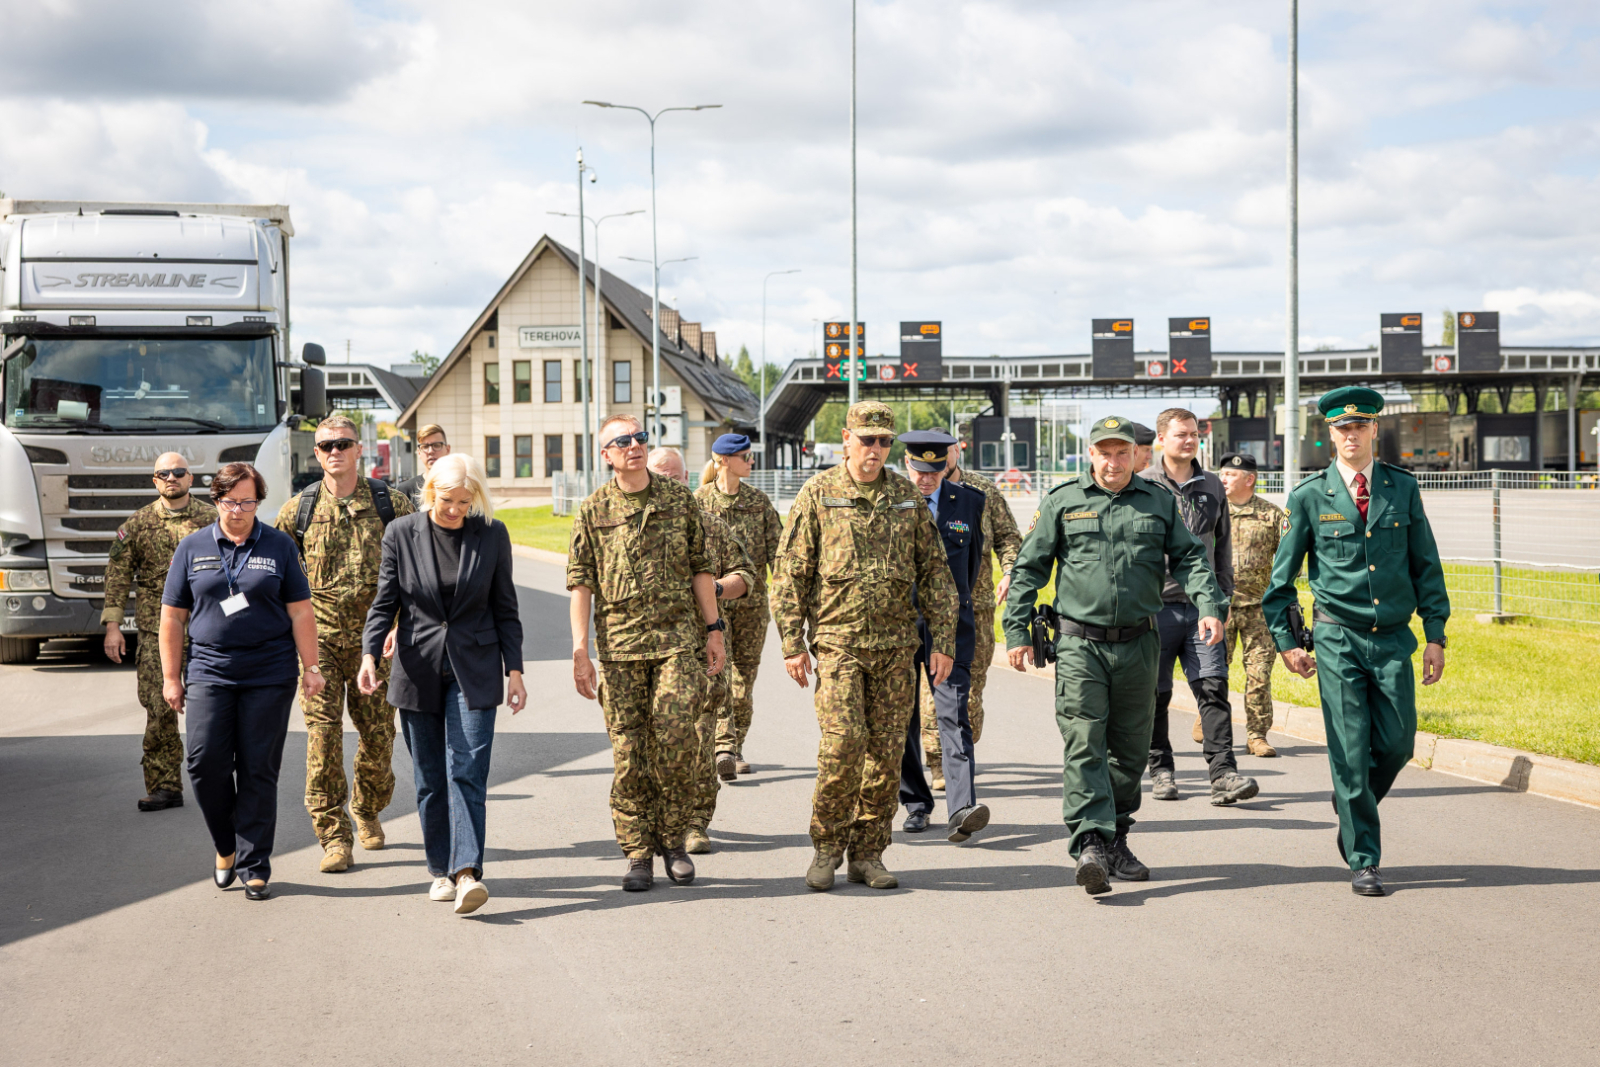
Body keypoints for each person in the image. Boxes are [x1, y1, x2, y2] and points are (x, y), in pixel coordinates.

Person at [1004, 417, 1226, 896]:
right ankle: (1089, 842)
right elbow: (1029, 567)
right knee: (1084, 741)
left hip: (1140, 644)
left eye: (1121, 452)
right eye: (1104, 452)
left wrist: (1209, 606)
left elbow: (1190, 558)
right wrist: (1017, 630)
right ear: (1090, 454)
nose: (1112, 461)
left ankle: (1116, 837)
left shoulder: (1158, 502)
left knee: (1129, 749)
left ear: (1136, 455)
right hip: (1080, 645)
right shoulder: (1063, 501)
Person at [1262, 386, 1449, 897]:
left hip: (1392, 640)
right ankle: (1364, 858)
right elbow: (1279, 585)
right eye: (1342, 428)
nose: (1351, 434)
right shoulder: (1307, 497)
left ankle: (1350, 799)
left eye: (1360, 426)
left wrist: (1436, 634)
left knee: (1398, 742)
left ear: (1373, 430)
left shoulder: (1402, 489)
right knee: (1348, 750)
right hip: (1337, 639)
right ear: (1330, 434)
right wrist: (1287, 643)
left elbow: (1425, 566)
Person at [771, 401, 959, 892]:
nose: (875, 449)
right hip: (839, 645)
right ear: (846, 438)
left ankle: (869, 852)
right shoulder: (820, 493)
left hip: (896, 647)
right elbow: (790, 571)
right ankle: (826, 846)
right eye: (866, 439)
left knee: (886, 753)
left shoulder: (904, 495)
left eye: (883, 442)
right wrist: (793, 642)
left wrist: (942, 640)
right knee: (842, 746)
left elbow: (935, 571)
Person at [358, 453, 525, 916]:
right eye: (447, 500)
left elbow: (505, 607)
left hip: (475, 668)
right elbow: (384, 601)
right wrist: (369, 655)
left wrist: (515, 670)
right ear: (430, 492)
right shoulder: (401, 534)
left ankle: (467, 870)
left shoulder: (491, 534)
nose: (455, 510)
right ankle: (440, 870)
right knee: (431, 779)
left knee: (467, 771)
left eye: (464, 502)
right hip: (416, 669)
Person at [567, 414, 726, 892]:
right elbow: (581, 583)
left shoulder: (678, 499)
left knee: (677, 741)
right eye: (622, 441)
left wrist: (714, 628)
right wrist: (580, 648)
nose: (634, 446)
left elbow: (701, 567)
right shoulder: (593, 510)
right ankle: (638, 852)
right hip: (619, 649)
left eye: (639, 438)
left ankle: (673, 841)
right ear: (606, 454)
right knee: (630, 753)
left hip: (677, 641)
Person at [160, 463, 323, 901]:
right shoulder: (193, 547)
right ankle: (226, 845)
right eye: (231, 501)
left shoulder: (279, 546)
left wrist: (311, 667)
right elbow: (173, 617)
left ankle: (255, 864)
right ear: (216, 500)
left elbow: (300, 610)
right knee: (203, 761)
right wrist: (171, 677)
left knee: (257, 768)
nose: (239, 510)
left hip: (268, 673)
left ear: (258, 502)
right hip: (210, 670)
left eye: (248, 501)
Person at [275, 415, 413, 874]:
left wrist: (403, 624)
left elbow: (419, 572)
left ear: (360, 451)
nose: (334, 451)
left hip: (377, 645)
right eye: (326, 446)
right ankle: (334, 835)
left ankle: (368, 807)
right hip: (320, 648)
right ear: (316, 454)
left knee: (379, 739)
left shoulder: (392, 504)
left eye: (344, 444)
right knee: (322, 737)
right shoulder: (298, 511)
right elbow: (276, 579)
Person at [1140, 408, 1257, 806]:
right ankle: (1161, 770)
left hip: (1202, 609)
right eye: (1180, 434)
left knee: (1213, 687)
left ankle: (1223, 774)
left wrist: (1222, 596)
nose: (1188, 441)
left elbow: (1221, 547)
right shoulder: (1143, 485)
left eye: (1193, 434)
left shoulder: (1211, 484)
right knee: (1154, 694)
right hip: (1154, 611)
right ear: (1161, 439)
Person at [648, 447, 755, 855]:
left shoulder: (708, 526)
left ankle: (694, 823)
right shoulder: (631, 527)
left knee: (700, 739)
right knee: (654, 744)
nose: (669, 483)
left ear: (689, 479)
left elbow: (745, 575)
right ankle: (659, 819)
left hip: (701, 650)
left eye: (676, 477)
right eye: (662, 475)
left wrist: (715, 589)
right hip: (648, 655)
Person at [101, 452, 216, 811]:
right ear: (154, 481)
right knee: (159, 709)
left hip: (207, 629)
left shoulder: (213, 520)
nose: (171, 477)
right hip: (155, 632)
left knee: (214, 710)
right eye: (163, 473)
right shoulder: (137, 524)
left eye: (178, 472)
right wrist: (113, 627)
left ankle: (217, 783)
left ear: (190, 478)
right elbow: (118, 576)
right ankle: (165, 786)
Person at [895, 430, 990, 843]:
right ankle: (916, 804)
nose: (926, 479)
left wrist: (952, 615)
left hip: (950, 628)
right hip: (898, 628)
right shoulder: (890, 502)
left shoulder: (969, 502)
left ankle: (962, 809)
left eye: (934, 471)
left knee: (954, 715)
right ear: (906, 465)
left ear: (946, 464)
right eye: (919, 470)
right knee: (902, 719)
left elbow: (969, 567)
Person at [916, 443, 1022, 791]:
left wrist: (1009, 571)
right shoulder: (914, 491)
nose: (935, 463)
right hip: (921, 612)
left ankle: (959, 754)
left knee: (969, 694)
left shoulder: (981, 493)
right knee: (932, 692)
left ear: (955, 455)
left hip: (973, 609)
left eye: (943, 453)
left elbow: (1008, 537)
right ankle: (940, 765)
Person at [693, 433, 783, 781]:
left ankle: (735, 745)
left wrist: (790, 595)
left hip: (752, 607)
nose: (751, 461)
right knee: (719, 677)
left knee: (744, 681)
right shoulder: (698, 503)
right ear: (724, 460)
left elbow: (780, 554)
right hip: (711, 607)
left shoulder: (759, 502)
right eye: (745, 456)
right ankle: (723, 747)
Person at [1218, 451, 1284, 757]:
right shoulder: (1214, 514)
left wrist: (1276, 589)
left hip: (1260, 609)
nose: (1223, 479)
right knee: (1213, 671)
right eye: (1222, 474)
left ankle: (1257, 735)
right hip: (1221, 608)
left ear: (1250, 479)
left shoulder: (1273, 515)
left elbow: (1289, 560)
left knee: (1259, 673)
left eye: (1230, 475)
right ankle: (1209, 720)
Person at [394, 424, 450, 509]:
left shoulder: (461, 487)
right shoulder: (404, 491)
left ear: (448, 449)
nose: (430, 451)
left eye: (437, 445)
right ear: (419, 452)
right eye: (425, 446)